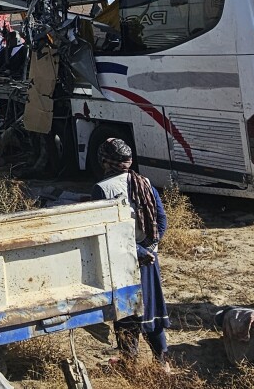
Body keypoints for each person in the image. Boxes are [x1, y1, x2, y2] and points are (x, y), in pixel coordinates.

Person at [94, 138, 170, 365]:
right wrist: (149, 249)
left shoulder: (103, 189)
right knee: (152, 311)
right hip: (149, 259)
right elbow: (161, 220)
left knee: (127, 313)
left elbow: (108, 232)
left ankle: (130, 363)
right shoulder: (144, 182)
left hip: (123, 261)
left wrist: (135, 251)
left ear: (106, 161)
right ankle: (163, 362)